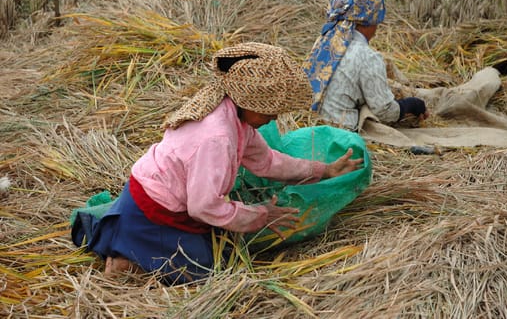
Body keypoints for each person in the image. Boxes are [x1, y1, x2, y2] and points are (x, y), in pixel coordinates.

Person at [72, 42, 364, 285]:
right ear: (250, 101)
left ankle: (125, 240)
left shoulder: (235, 117)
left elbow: (266, 162)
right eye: (270, 111)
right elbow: (204, 207)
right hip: (154, 209)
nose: (274, 119)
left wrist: (322, 170)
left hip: (165, 199)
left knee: (219, 247)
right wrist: (261, 215)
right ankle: (127, 261)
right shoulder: (217, 137)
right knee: (212, 271)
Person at [304, 0, 429, 132]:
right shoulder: (367, 56)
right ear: (369, 21)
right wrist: (412, 105)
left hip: (307, 126)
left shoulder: (322, 43)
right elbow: (385, 111)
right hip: (339, 134)